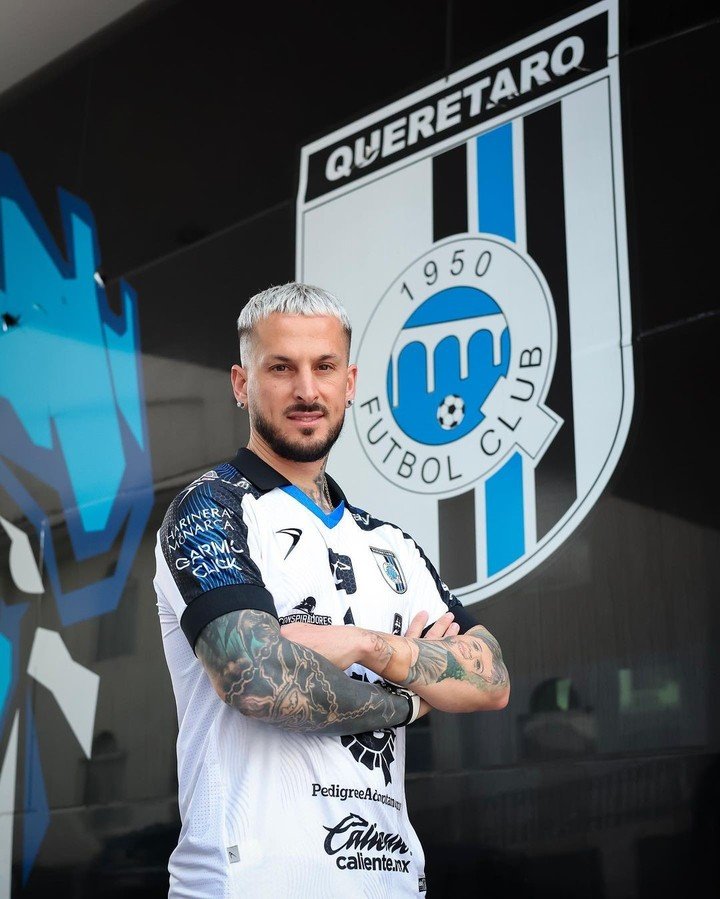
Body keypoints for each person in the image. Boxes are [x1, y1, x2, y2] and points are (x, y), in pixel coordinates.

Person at [153, 281, 510, 898]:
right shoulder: (208, 508)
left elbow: (492, 678)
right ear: (242, 384)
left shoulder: (391, 545)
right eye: (281, 368)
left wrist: (372, 648)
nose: (306, 390)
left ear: (350, 382)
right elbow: (257, 678)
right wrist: (410, 696)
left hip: (390, 884)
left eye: (324, 367)